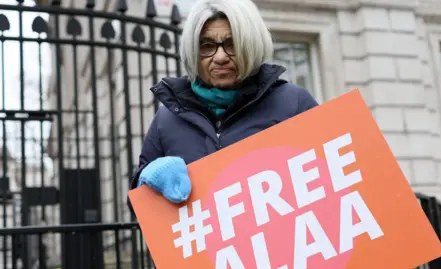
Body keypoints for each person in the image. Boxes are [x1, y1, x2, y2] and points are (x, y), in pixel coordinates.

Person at [128, 0, 318, 209]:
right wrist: (147, 181)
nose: (220, 57)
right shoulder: (166, 120)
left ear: (251, 45)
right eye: (206, 46)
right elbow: (139, 209)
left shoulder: (294, 103)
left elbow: (335, 177)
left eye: (232, 44)